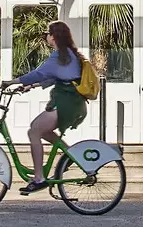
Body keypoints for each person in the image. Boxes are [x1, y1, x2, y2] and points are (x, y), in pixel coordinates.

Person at [5, 20, 86, 195]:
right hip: (71, 103)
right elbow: (53, 77)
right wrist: (30, 86)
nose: (46, 37)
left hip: (67, 103)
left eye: (48, 34)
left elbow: (38, 73)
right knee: (42, 130)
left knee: (34, 130)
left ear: (54, 36)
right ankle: (69, 155)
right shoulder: (68, 54)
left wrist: (12, 82)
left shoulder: (59, 56)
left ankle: (39, 178)